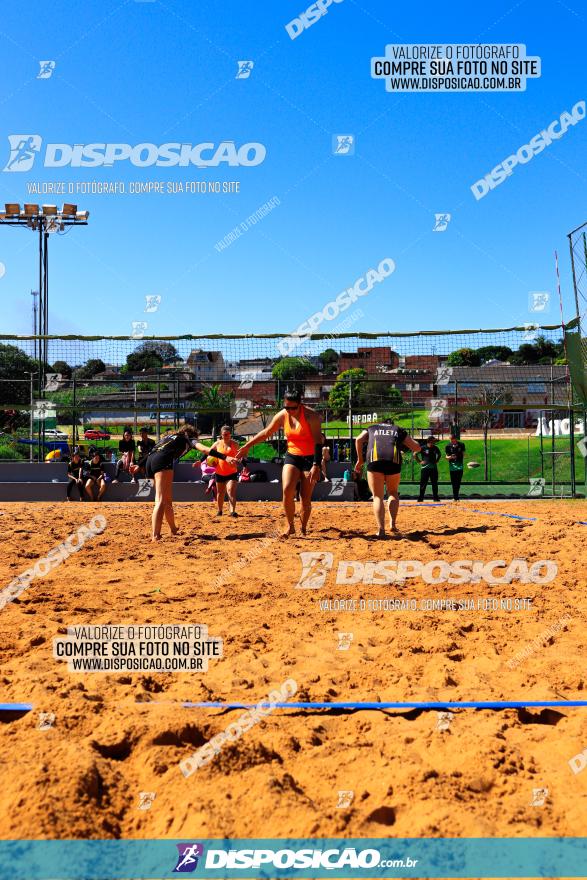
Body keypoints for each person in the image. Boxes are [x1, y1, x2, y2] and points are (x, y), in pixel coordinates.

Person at [236, 389, 322, 537]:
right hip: (292, 455)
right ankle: (290, 527)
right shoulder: (283, 415)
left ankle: (303, 527)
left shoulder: (311, 416)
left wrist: (316, 465)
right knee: (287, 490)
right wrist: (247, 446)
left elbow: (318, 442)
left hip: (310, 458)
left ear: (300, 405)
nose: (289, 410)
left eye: (293, 408)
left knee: (305, 496)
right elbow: (266, 433)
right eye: (286, 407)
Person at [145, 424, 237, 541]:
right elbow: (205, 449)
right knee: (160, 500)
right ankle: (155, 535)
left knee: (167, 500)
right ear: (192, 434)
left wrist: (139, 465)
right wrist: (225, 457)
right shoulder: (188, 438)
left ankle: (173, 529)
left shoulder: (170, 436)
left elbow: (151, 451)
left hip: (150, 461)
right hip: (162, 461)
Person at [354, 419, 421, 537]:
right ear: (392, 424)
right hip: (393, 460)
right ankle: (393, 524)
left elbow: (358, 439)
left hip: (374, 459)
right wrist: (403, 444)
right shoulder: (397, 429)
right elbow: (416, 448)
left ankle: (381, 530)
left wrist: (360, 460)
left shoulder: (372, 428)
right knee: (393, 492)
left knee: (377, 496)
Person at [198, 425, 240, 517]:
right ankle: (220, 511)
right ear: (221, 434)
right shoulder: (217, 444)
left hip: (232, 472)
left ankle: (232, 511)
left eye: (228, 434)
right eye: (224, 434)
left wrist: (239, 461)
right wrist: (200, 461)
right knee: (220, 493)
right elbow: (208, 452)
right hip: (219, 472)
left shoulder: (235, 444)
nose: (226, 436)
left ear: (230, 434)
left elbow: (240, 456)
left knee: (230, 491)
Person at [416, 436, 441, 502]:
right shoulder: (423, 447)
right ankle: (421, 498)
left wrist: (437, 460)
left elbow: (439, 454)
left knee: (434, 483)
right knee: (423, 484)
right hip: (425, 468)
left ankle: (436, 498)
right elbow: (414, 454)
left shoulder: (435, 448)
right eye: (433, 441)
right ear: (430, 441)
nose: (435, 442)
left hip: (433, 468)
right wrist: (420, 461)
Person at [445, 433, 466, 501]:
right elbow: (446, 457)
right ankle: (455, 497)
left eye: (452, 439)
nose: (451, 441)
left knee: (458, 482)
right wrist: (451, 457)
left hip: (460, 466)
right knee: (453, 482)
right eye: (450, 440)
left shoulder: (461, 444)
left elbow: (464, 454)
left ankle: (456, 497)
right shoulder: (448, 446)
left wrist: (460, 456)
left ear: (455, 439)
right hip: (452, 467)